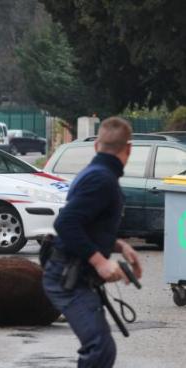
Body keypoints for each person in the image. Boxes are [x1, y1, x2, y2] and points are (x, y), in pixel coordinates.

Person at [43, 117, 143, 368]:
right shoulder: (101, 179)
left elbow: (89, 225)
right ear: (128, 149)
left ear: (96, 145)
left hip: (73, 275)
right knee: (99, 348)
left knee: (100, 348)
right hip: (66, 277)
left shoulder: (97, 174)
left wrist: (121, 246)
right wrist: (100, 262)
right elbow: (66, 224)